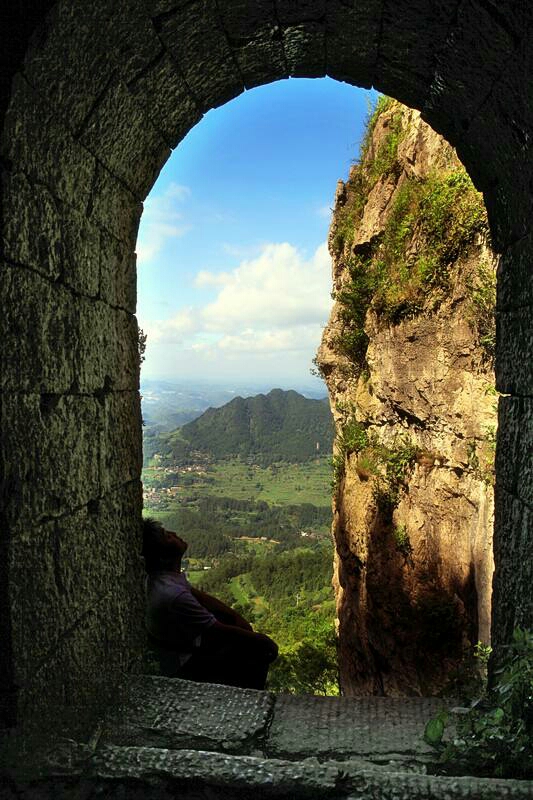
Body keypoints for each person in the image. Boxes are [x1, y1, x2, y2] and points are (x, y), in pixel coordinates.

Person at [142, 517, 278, 690]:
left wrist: (236, 618)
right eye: (167, 537)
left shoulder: (165, 579)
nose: (174, 534)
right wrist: (262, 640)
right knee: (259, 651)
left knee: (231, 624)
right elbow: (219, 632)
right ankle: (248, 700)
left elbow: (201, 597)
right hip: (182, 664)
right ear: (163, 556)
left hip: (178, 649)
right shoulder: (173, 595)